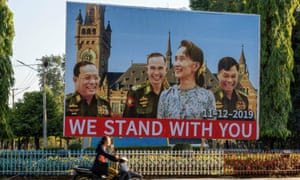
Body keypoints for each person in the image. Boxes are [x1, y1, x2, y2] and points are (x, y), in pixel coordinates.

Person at [157, 40, 216, 119]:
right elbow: (160, 128)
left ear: (195, 66)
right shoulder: (165, 96)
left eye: (182, 59)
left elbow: (211, 128)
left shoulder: (207, 97)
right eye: (176, 59)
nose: (176, 64)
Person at [123, 52, 169, 118]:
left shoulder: (173, 95)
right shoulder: (135, 93)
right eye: (152, 68)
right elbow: (126, 122)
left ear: (166, 70)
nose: (156, 73)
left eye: (160, 68)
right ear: (147, 69)